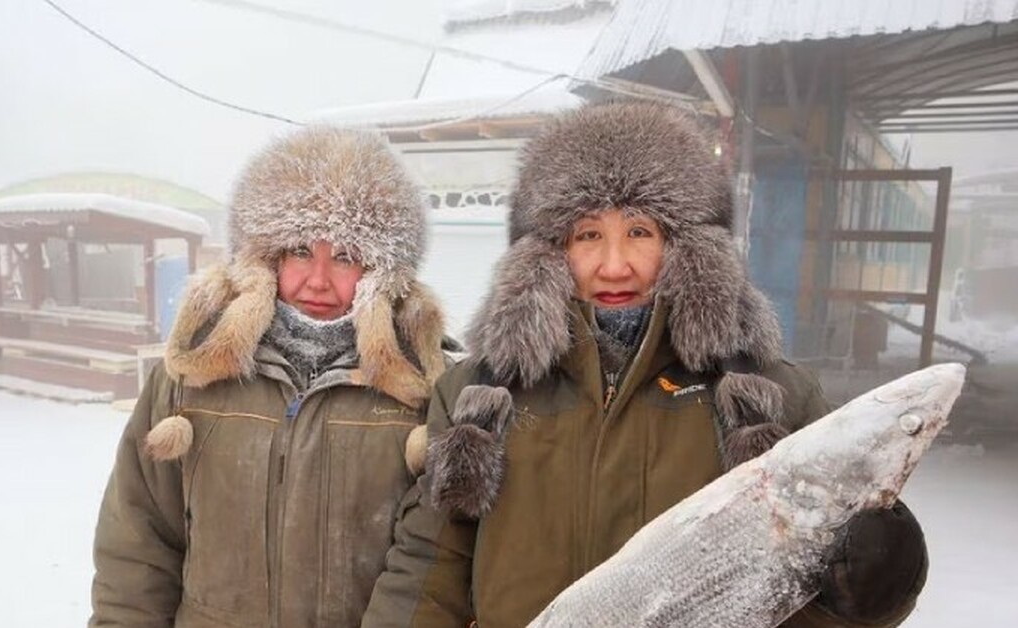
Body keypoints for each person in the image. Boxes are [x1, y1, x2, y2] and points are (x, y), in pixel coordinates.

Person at [362, 102, 927, 627]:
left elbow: (801, 590)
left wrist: (873, 587)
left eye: (639, 232)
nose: (614, 266)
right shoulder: (477, 395)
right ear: (547, 254)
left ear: (687, 246)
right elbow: (432, 560)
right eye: (587, 235)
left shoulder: (771, 396)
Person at [90, 127, 452, 627]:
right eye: (301, 250)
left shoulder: (425, 391)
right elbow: (137, 545)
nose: (319, 280)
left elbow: (436, 569)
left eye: (345, 256)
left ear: (382, 271)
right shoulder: (191, 378)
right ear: (266, 256)